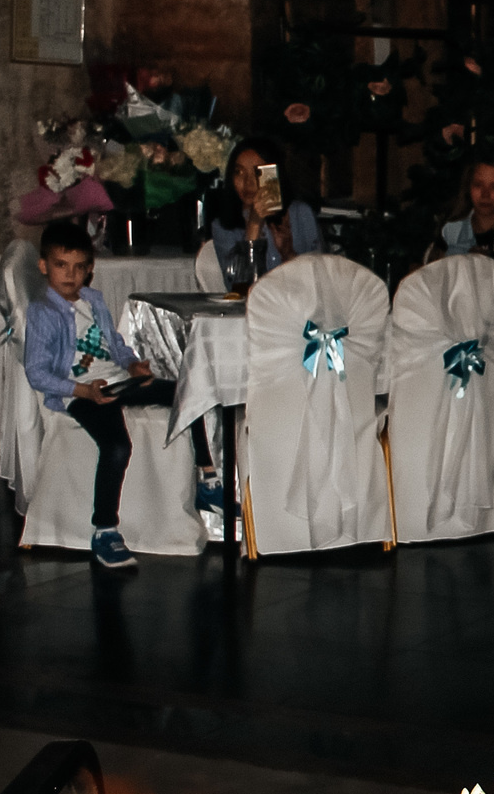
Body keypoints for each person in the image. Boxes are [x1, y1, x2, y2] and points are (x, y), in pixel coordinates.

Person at [23, 221, 188, 570]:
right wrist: (82, 390)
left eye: (80, 267)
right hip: (81, 394)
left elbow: (114, 344)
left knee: (185, 392)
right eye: (61, 265)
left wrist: (131, 367)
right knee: (116, 445)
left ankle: (209, 478)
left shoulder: (93, 300)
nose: (71, 275)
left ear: (90, 269)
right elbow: (37, 373)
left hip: (115, 380)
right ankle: (105, 529)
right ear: (44, 266)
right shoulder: (43, 312)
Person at [210, 138, 319, 279]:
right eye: (239, 172)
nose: (248, 182)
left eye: (257, 173)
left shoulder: (300, 213)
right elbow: (239, 288)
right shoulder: (224, 226)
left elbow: (320, 279)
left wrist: (288, 254)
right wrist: (254, 226)